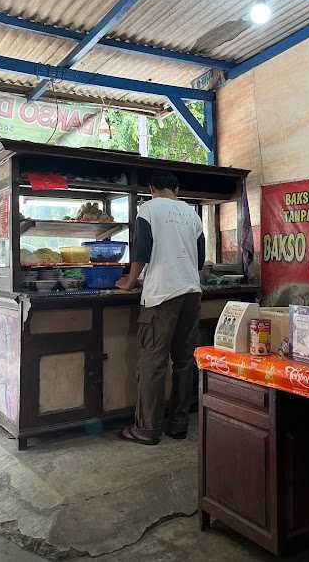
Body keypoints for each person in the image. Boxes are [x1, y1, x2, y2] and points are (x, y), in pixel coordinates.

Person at [116, 171, 205, 445]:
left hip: (162, 295)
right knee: (183, 361)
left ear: (152, 187)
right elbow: (200, 260)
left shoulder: (148, 209)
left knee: (153, 363)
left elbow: (141, 251)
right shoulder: (193, 215)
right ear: (176, 188)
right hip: (191, 293)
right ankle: (178, 425)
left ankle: (147, 429)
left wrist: (130, 281)